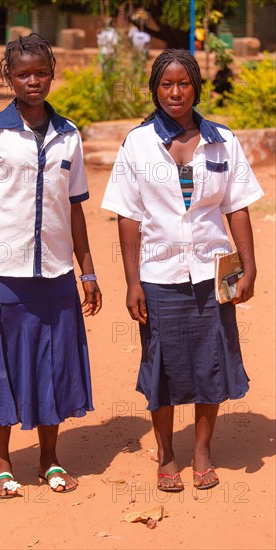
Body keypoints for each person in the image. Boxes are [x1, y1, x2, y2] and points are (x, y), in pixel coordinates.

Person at [102, 49, 263, 492]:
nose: (175, 93)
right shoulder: (137, 143)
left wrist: (248, 268)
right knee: (163, 365)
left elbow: (237, 209)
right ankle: (167, 452)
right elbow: (127, 217)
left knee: (214, 361)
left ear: (196, 87)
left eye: (184, 83)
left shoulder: (223, 141)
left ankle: (202, 450)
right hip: (159, 272)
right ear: (155, 89)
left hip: (216, 271)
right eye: (166, 84)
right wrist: (133, 281)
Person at [0, 33, 102, 498]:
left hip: (54, 274)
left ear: (52, 74)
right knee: (2, 365)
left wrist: (88, 270)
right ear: (9, 78)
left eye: (40, 72)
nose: (32, 81)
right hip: (2, 271)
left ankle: (50, 459)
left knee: (55, 365)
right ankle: (1, 461)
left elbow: (74, 207)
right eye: (22, 74)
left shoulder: (69, 135)